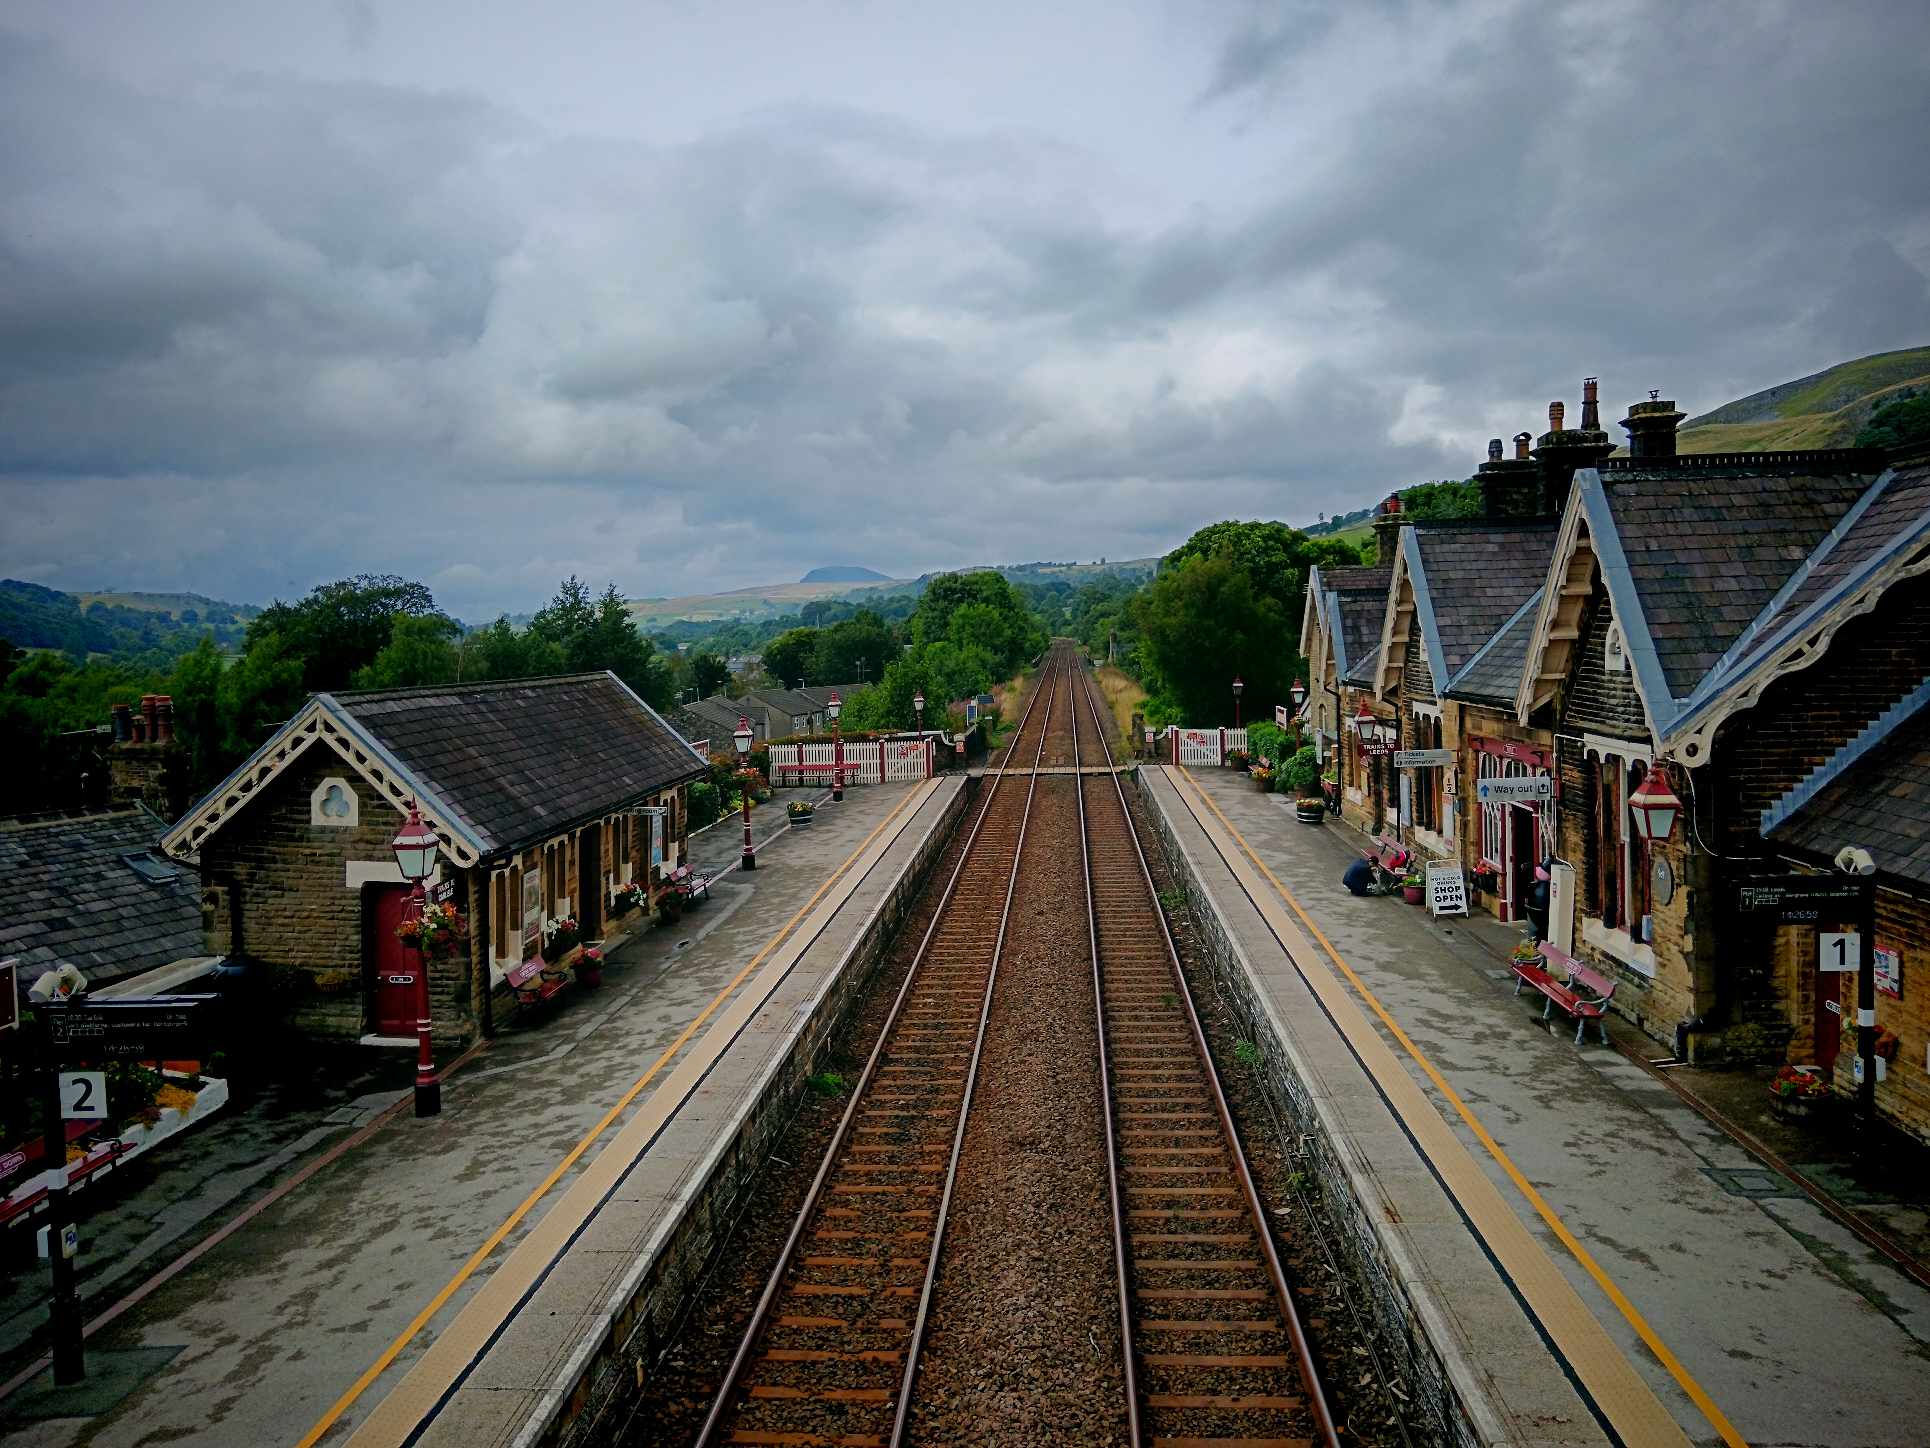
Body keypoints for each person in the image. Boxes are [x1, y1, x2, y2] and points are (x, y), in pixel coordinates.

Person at [1526, 859, 1551, 942]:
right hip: (1539, 911)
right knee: (1539, 931)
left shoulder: (1535, 884)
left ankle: (1532, 946)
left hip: (1533, 910)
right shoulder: (1546, 887)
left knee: (1533, 931)